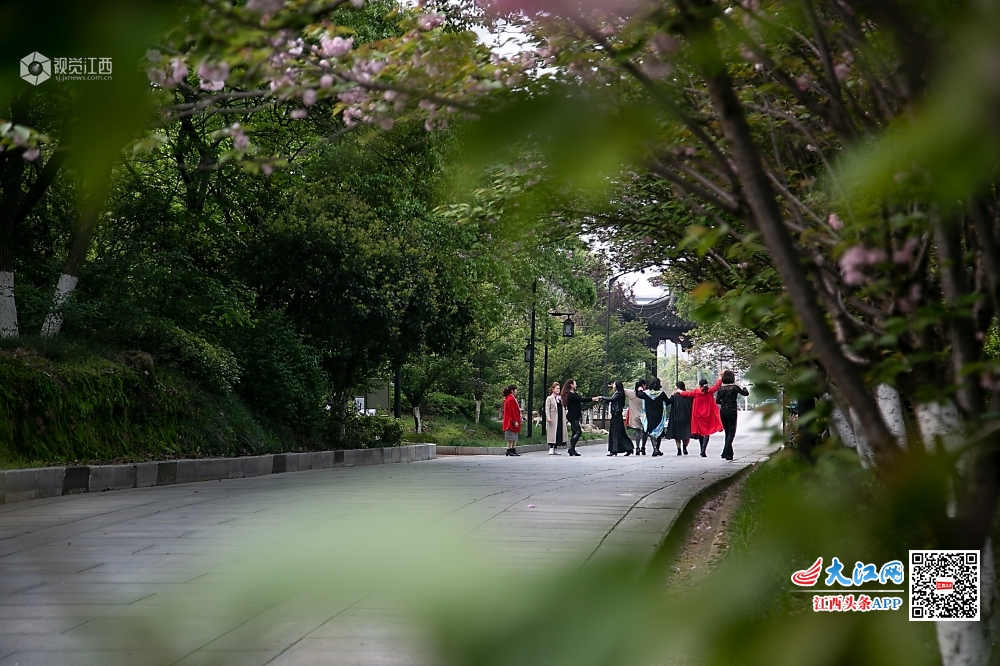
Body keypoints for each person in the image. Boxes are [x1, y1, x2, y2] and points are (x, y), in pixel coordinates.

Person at [676, 373, 723, 457]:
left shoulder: (696, 392)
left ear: (700, 385)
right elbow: (717, 386)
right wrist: (720, 377)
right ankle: (703, 450)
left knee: (700, 432)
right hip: (708, 415)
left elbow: (686, 394)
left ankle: (701, 448)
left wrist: (679, 391)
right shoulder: (710, 391)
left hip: (698, 415)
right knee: (707, 433)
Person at [716, 370, 749, 461]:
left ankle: (729, 455)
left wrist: (724, 402)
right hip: (732, 411)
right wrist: (743, 386)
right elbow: (746, 393)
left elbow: (717, 401)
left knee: (727, 433)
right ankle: (725, 451)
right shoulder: (734, 387)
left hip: (723, 411)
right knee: (732, 433)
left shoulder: (720, 389)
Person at [594, 380, 634, 456]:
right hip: (615, 415)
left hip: (617, 415)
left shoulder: (619, 393)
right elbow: (613, 401)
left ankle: (615, 450)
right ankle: (627, 448)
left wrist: (602, 397)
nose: (613, 386)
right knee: (619, 433)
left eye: (614, 385)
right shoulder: (617, 393)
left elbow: (612, 399)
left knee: (616, 433)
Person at [636, 377, 671, 456]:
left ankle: (655, 448)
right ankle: (657, 449)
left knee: (652, 432)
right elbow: (668, 401)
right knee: (658, 432)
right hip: (659, 415)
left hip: (649, 415)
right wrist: (673, 396)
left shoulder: (646, 393)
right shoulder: (661, 393)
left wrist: (640, 389)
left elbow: (638, 394)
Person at [562, 379, 590, 456]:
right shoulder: (571, 395)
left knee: (574, 432)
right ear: (571, 385)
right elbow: (581, 399)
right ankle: (571, 448)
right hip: (573, 415)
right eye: (575, 384)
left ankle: (572, 449)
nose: (576, 385)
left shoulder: (572, 394)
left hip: (575, 415)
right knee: (578, 431)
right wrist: (592, 399)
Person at [665, 381, 693, 455]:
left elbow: (668, 402)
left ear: (677, 387)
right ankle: (684, 448)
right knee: (685, 434)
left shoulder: (675, 396)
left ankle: (679, 449)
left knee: (677, 435)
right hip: (686, 416)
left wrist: (671, 395)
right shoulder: (688, 395)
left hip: (676, 417)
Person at [623, 380, 648, 455]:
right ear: (643, 385)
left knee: (637, 431)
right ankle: (643, 447)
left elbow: (622, 389)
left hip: (635, 416)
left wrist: (614, 385)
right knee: (645, 432)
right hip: (645, 416)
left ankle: (637, 448)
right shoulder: (646, 394)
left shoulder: (631, 393)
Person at [544, 381, 568, 456]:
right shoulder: (550, 398)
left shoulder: (560, 398)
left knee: (559, 433)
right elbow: (547, 408)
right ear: (553, 389)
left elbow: (564, 408)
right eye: (557, 388)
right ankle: (551, 447)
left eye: (559, 388)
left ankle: (555, 448)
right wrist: (548, 417)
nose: (558, 390)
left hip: (560, 418)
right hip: (553, 418)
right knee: (552, 433)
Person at [502, 385, 521, 457]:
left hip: (512, 420)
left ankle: (512, 449)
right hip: (510, 421)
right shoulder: (510, 399)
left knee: (514, 436)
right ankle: (509, 449)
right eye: (515, 390)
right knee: (511, 436)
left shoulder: (511, 398)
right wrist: (515, 420)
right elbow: (511, 411)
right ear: (512, 391)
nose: (516, 391)